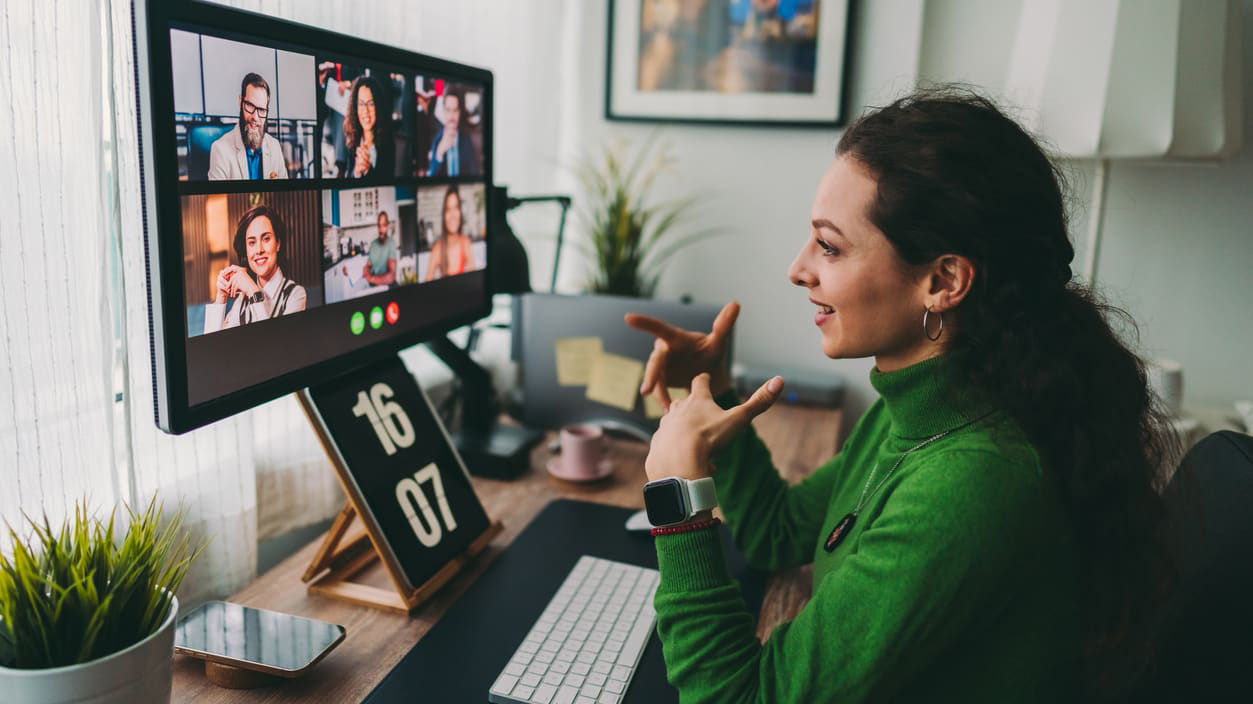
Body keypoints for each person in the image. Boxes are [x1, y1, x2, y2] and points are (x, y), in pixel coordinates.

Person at [627, 88, 1172, 702]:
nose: (798, 269)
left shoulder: (970, 484)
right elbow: (778, 534)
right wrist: (719, 389)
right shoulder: (924, 412)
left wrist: (677, 497)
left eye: (829, 246)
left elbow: (742, 697)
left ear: (942, 281)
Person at [204, 205, 306, 333]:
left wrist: (253, 291)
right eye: (252, 242)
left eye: (266, 239)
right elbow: (213, 346)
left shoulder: (295, 294)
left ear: (278, 243)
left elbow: (275, 345)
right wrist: (221, 297)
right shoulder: (242, 300)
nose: (259, 250)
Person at [208, 73, 289, 180]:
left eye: (261, 110)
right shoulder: (220, 150)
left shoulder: (275, 147)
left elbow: (284, 195)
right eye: (250, 106)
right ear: (240, 102)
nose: (255, 117)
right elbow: (217, 196)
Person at [343, 75, 394, 178]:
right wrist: (356, 172)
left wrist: (368, 170)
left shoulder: (390, 143)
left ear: (378, 106)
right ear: (355, 108)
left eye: (370, 104)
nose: (365, 111)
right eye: (361, 104)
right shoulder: (351, 141)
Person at [425, 185, 475, 281]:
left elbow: (474, 281)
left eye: (456, 208)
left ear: (460, 212)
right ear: (444, 216)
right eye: (448, 209)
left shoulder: (465, 242)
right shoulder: (437, 249)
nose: (452, 215)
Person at [426, 89, 480, 177]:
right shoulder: (436, 140)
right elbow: (431, 177)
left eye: (455, 110)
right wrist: (439, 153)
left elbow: (473, 174)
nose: (451, 116)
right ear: (443, 112)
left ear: (460, 113)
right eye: (448, 110)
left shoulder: (467, 139)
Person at [362, 210, 397, 286]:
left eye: (384, 225)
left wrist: (371, 279)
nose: (381, 229)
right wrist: (366, 270)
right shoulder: (373, 244)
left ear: (387, 226)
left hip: (388, 286)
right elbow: (368, 265)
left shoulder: (391, 243)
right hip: (375, 286)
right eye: (379, 225)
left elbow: (391, 276)